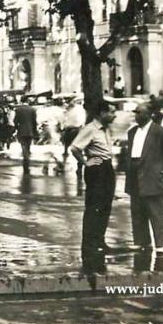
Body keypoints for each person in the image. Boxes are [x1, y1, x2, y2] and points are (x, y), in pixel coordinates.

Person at [125, 104, 163, 253]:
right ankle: (141, 241)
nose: (136, 116)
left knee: (155, 211)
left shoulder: (160, 132)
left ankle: (160, 244)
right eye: (135, 113)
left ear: (149, 115)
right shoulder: (132, 132)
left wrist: (160, 171)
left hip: (153, 174)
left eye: (139, 113)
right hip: (134, 173)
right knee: (137, 209)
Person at [71, 101, 117, 256]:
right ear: (102, 113)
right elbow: (75, 147)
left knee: (105, 205)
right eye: (111, 112)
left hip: (107, 167)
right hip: (96, 168)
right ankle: (89, 243)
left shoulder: (106, 130)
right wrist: (85, 162)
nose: (114, 115)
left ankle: (100, 240)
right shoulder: (90, 129)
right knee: (94, 206)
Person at [61, 98, 86, 177]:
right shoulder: (70, 110)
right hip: (74, 130)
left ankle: (80, 166)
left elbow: (65, 121)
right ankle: (79, 166)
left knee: (74, 149)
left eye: (68, 101)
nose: (67, 103)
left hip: (74, 130)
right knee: (69, 149)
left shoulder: (76, 109)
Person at [14, 97, 38, 174]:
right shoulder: (32, 109)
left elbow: (15, 121)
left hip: (21, 131)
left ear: (21, 101)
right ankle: (27, 162)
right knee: (28, 146)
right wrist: (35, 131)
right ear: (27, 101)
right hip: (30, 131)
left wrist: (17, 128)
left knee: (24, 147)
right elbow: (34, 122)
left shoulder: (18, 110)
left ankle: (26, 163)